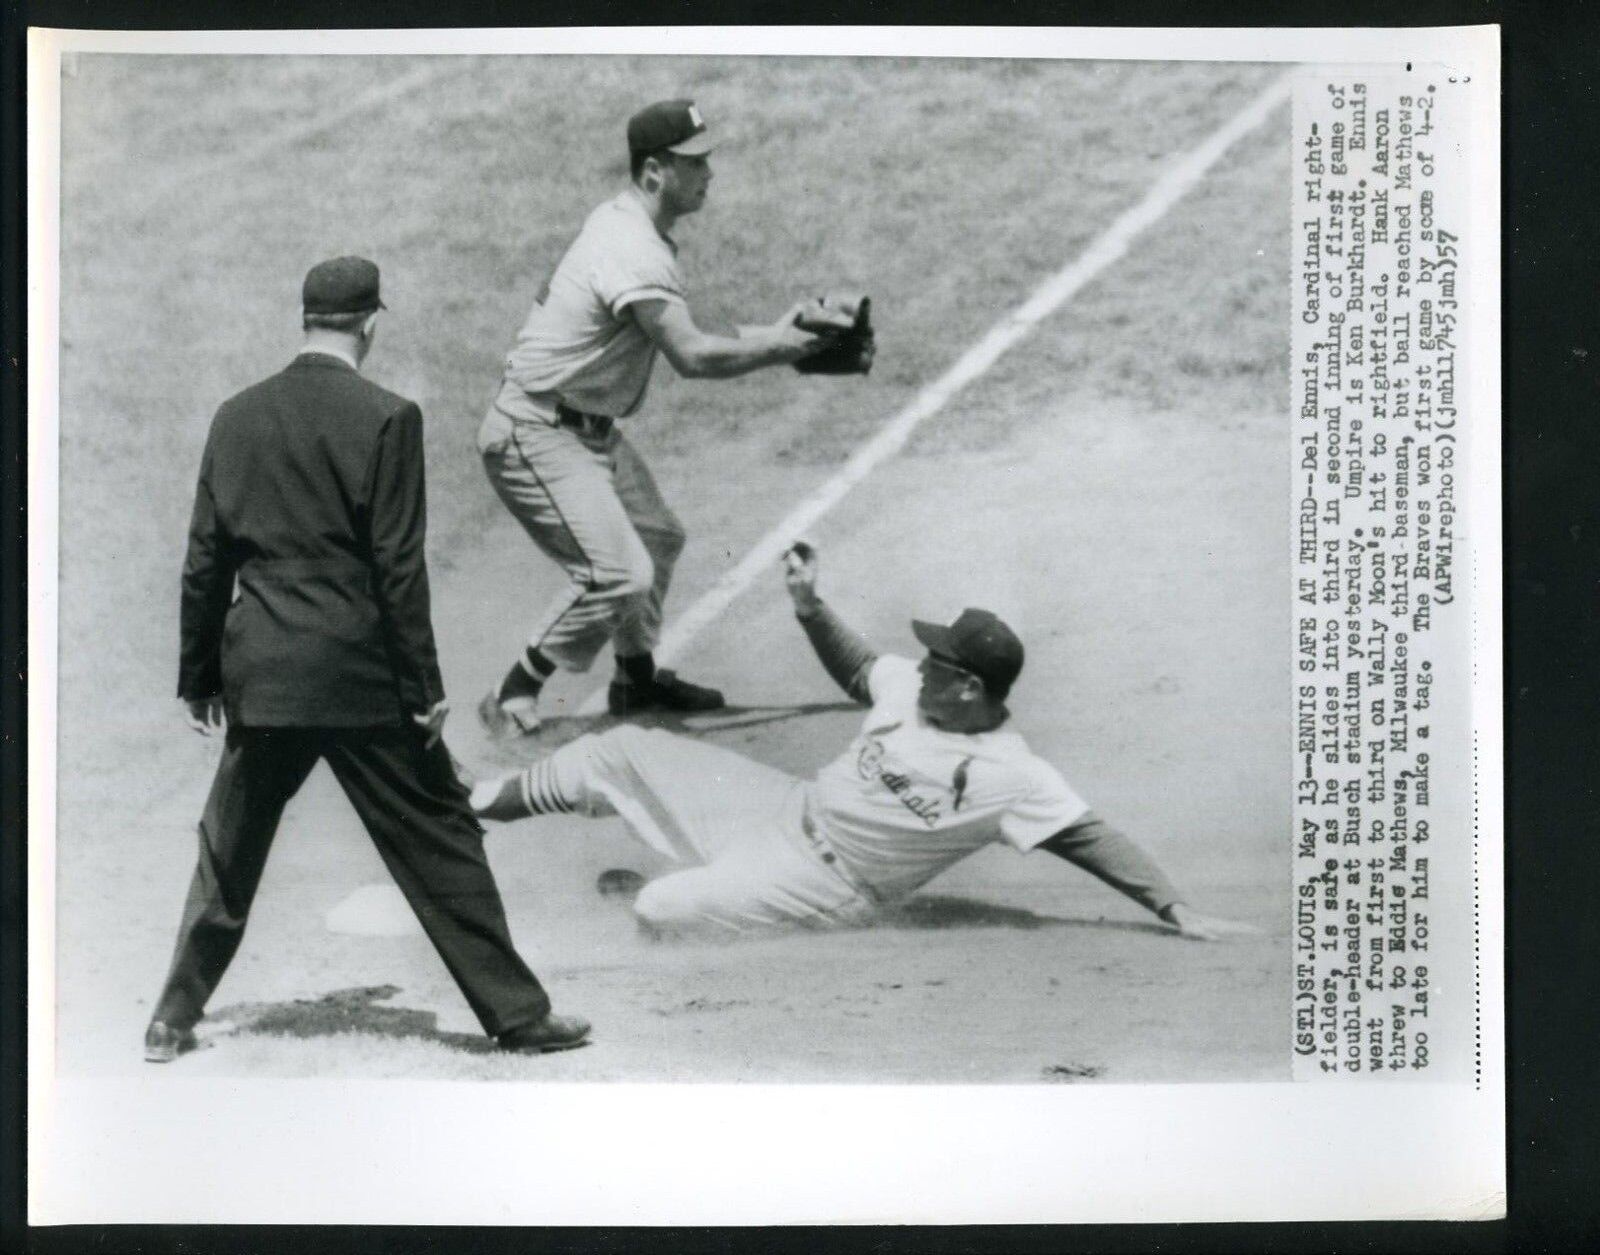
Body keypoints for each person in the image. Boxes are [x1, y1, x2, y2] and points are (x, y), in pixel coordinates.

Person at [146, 257, 588, 1063]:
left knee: (228, 850)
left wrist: (199, 676)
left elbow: (204, 559)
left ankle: (171, 1018)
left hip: (267, 678)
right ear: (370, 323)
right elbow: (397, 566)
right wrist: (425, 687)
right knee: (440, 836)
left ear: (305, 318)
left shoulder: (236, 416)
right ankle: (519, 1017)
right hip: (360, 680)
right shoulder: (388, 417)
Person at [468, 542, 1255, 942]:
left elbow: (1092, 837)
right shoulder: (916, 686)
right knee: (626, 748)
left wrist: (1177, 908)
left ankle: (627, 916)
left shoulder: (1013, 776)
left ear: (972, 687)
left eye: (941, 659)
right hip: (778, 810)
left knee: (662, 904)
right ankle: (469, 804)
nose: (922, 662)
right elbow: (857, 668)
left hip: (825, 885)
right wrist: (811, 608)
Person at [476, 98, 832, 737]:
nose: (708, 174)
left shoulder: (629, 227)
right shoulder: (630, 246)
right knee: (618, 574)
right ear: (653, 172)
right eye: (694, 163)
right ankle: (513, 690)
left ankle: (635, 684)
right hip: (534, 431)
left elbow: (683, 335)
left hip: (583, 429)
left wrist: (773, 334)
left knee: (657, 538)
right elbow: (692, 356)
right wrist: (783, 348)